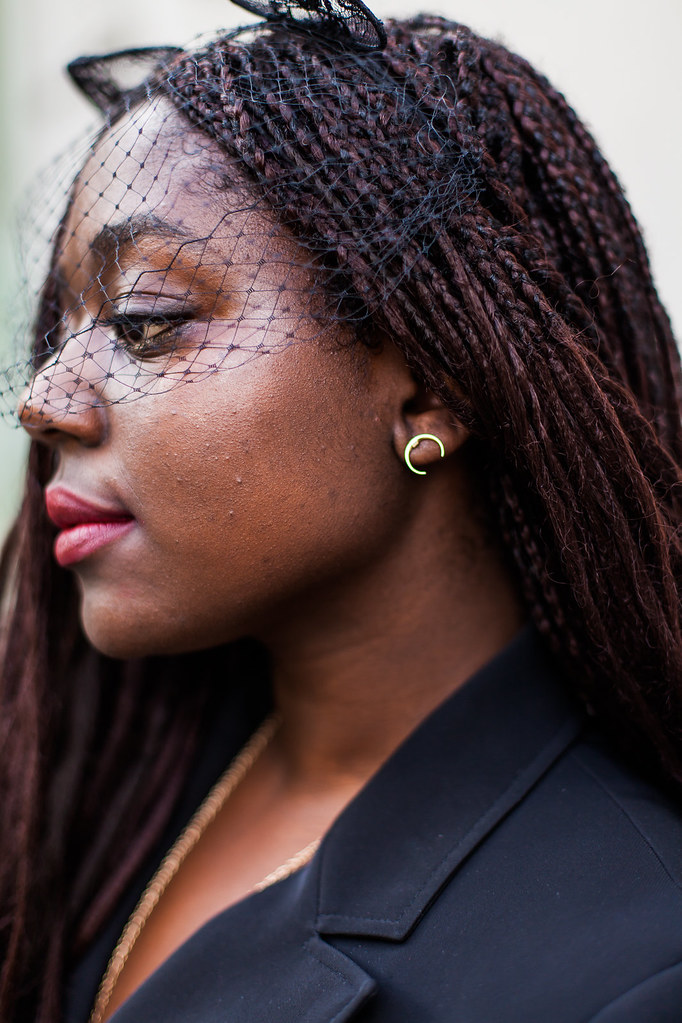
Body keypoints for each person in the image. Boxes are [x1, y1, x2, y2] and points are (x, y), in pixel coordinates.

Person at [1, 2, 681, 1020]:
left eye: (145, 323)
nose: (43, 396)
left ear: (429, 388)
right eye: (66, 326)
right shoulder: (101, 778)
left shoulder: (630, 966)